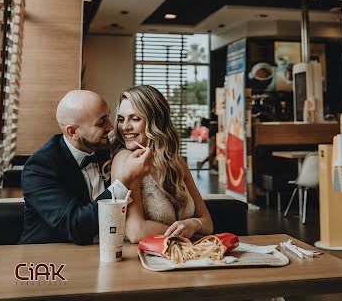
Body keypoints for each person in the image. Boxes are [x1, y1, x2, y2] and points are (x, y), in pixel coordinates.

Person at [20, 89, 151, 245]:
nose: (111, 127)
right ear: (73, 132)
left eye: (108, 117)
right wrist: (124, 180)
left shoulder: (108, 150)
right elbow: (77, 227)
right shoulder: (39, 169)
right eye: (101, 122)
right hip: (50, 258)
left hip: (108, 252)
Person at [111, 85, 213, 243]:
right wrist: (185, 234)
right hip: (141, 261)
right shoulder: (125, 159)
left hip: (185, 257)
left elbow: (207, 222)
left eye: (135, 118)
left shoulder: (176, 163)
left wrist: (193, 223)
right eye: (121, 119)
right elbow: (136, 231)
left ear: (156, 121)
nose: (125, 127)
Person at [196, 106, 218, 175]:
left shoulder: (214, 110)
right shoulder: (215, 110)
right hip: (214, 132)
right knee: (213, 151)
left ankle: (205, 164)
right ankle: (206, 165)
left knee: (214, 151)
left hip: (213, 132)